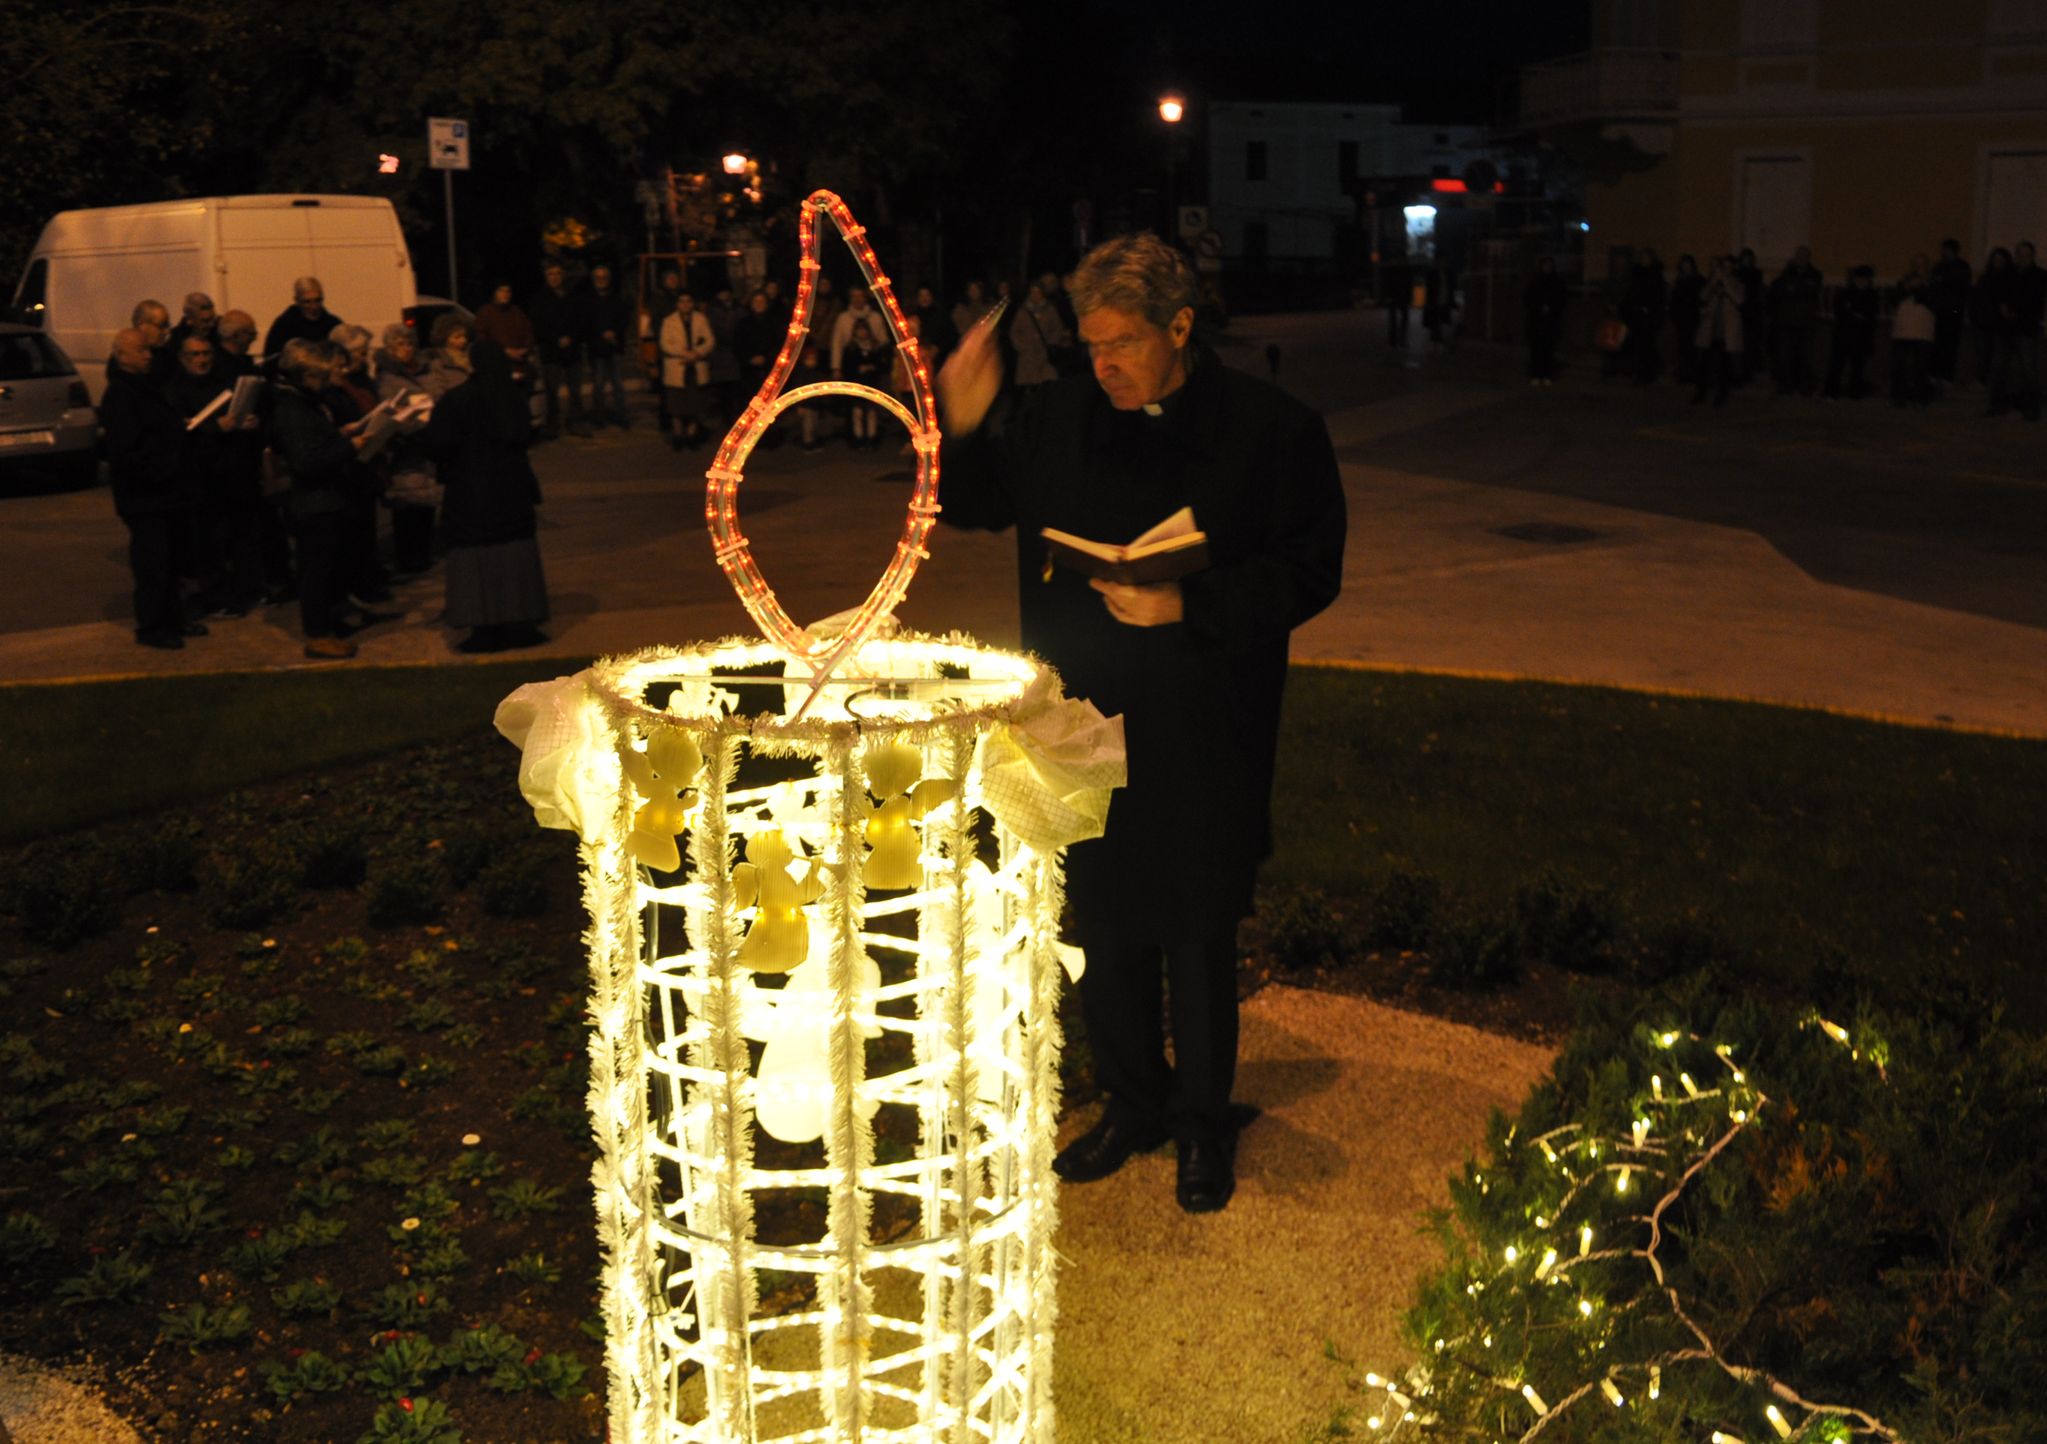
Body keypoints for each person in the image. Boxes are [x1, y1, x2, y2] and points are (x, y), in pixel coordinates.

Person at [934, 232, 1346, 1214]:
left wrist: (1187, 608)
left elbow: (1309, 567)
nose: (1104, 366)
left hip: (1207, 713)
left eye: (1122, 344)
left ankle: (1203, 1124)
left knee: (1198, 923)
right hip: (1079, 711)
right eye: (1089, 346)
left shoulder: (1270, 427)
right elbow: (972, 504)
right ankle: (1130, 1102)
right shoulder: (1056, 417)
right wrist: (963, 421)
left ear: (1181, 325)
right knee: (1105, 917)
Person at [421, 340, 548, 653]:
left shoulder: (456, 400)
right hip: (512, 492)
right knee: (513, 557)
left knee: (475, 561)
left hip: (470, 494)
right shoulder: (513, 399)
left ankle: (484, 626)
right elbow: (526, 437)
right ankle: (519, 621)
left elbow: (437, 445)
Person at [102, 328, 204, 649]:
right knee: (153, 563)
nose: (149, 355)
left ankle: (172, 619)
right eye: (142, 351)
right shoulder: (121, 394)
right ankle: (152, 626)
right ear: (123, 357)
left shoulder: (147, 387)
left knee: (171, 560)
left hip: (166, 492)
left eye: (149, 350)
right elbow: (127, 450)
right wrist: (164, 459)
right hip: (146, 496)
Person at [267, 339, 362, 659]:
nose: (322, 384)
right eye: (317, 377)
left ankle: (330, 620)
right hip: (312, 502)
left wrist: (341, 437)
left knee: (328, 565)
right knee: (315, 569)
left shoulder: (302, 402)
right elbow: (305, 460)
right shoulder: (291, 408)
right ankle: (317, 633)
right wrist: (348, 446)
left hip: (325, 499)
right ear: (302, 375)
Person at [375, 322, 440, 574]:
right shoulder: (387, 376)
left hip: (427, 442)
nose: (407, 349)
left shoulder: (426, 369)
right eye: (400, 344)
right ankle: (408, 556)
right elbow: (388, 407)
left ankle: (423, 552)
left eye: (410, 342)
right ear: (390, 348)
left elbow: (438, 390)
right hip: (406, 444)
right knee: (406, 503)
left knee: (427, 499)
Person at [528, 262, 588, 437]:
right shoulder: (539, 299)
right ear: (546, 277)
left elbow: (581, 320)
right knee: (551, 391)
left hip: (573, 350)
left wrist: (571, 337)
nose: (554, 277)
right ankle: (553, 424)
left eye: (557, 273)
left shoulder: (573, 297)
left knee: (575, 391)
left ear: (563, 276)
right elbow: (538, 325)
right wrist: (555, 339)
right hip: (551, 352)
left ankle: (575, 422)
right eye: (551, 274)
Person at [1993, 240, 2043, 422]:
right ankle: (1997, 405)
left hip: (2025, 327)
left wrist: (2014, 310)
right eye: (2019, 254)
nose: (2021, 258)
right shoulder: (2009, 274)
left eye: (2025, 254)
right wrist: (2004, 307)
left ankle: (2032, 408)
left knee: (2028, 369)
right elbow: (2001, 293)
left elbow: (2033, 299)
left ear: (2031, 256)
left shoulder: (2039, 275)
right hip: (2007, 328)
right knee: (1999, 367)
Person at [659, 291, 716, 449]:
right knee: (676, 406)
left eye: (688, 301)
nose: (685, 304)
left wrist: (698, 353)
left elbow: (710, 340)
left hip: (696, 368)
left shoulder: (701, 319)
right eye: (682, 301)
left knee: (695, 405)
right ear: (677, 304)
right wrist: (683, 353)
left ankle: (691, 436)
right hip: (678, 368)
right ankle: (678, 436)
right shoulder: (668, 321)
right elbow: (665, 344)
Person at [1768, 247, 1823, 395]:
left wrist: (1793, 288)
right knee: (1786, 355)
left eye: (1803, 256)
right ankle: (1786, 385)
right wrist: (1791, 287)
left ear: (1808, 258)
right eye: (1798, 256)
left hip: (1805, 322)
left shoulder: (1815, 274)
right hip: (1787, 321)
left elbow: (1808, 291)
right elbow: (1778, 288)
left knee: (1805, 355)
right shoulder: (1788, 272)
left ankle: (1804, 385)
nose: (1800, 258)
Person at [1692, 255, 1744, 407]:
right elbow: (1702, 296)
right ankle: (1700, 393)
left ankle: (1721, 395)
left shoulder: (1737, 283)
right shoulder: (1713, 282)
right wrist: (1714, 281)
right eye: (1723, 267)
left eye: (1728, 267)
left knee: (1724, 368)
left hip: (1727, 334)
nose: (1725, 270)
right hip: (1710, 332)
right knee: (1704, 365)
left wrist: (1726, 282)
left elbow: (1739, 299)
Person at [585, 263, 632, 427]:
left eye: (604, 277)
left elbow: (625, 319)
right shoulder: (588, 300)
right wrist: (601, 333)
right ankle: (598, 416)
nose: (601, 280)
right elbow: (586, 322)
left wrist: (615, 332)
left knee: (618, 385)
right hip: (597, 349)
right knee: (598, 386)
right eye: (598, 277)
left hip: (614, 347)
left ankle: (622, 415)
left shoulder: (617, 298)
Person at [1822, 265, 1879, 401]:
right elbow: (1840, 313)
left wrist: (1853, 311)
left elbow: (1869, 314)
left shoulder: (1872, 295)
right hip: (1844, 335)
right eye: (1859, 278)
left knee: (1858, 366)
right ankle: (1831, 392)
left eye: (1864, 279)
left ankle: (1855, 392)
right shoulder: (1844, 293)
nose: (1861, 281)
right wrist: (1856, 314)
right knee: (1837, 365)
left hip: (1861, 336)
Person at [1888, 263, 1936, 408]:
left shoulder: (1931, 287)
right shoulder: (1901, 286)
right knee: (1900, 367)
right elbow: (1893, 301)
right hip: (1902, 332)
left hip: (1922, 332)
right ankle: (1899, 397)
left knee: (1920, 368)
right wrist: (1905, 289)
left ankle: (1919, 397)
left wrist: (1919, 289)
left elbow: (1932, 302)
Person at [262, 277, 343, 362]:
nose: (313, 306)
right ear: (297, 301)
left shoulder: (333, 324)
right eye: (307, 302)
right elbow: (271, 359)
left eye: (317, 300)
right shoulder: (283, 326)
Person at [1008, 281, 1069, 390]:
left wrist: (1051, 342)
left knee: (1046, 385)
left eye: (1038, 292)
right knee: (1029, 387)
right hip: (1027, 356)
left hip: (1044, 354)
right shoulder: (1023, 311)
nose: (1035, 295)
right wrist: (1021, 346)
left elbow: (1058, 328)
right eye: (1032, 292)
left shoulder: (1050, 310)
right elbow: (1014, 331)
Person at [842, 316, 890, 448]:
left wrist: (873, 367)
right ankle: (858, 438)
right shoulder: (850, 348)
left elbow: (883, 365)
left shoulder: (875, 347)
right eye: (859, 330)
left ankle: (871, 437)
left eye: (864, 330)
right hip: (856, 385)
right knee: (857, 412)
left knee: (871, 412)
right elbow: (846, 367)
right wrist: (857, 369)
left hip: (872, 383)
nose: (862, 332)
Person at [1929, 239, 1972, 386]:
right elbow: (1935, 285)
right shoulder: (1940, 266)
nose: (1943, 252)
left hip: (1954, 311)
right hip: (1941, 310)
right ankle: (1935, 373)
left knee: (1950, 344)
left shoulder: (1961, 267)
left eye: (1945, 249)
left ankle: (1946, 375)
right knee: (1938, 344)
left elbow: (1962, 288)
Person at [1620, 248, 1666, 384]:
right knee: (1637, 345)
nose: (1644, 260)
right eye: (1642, 258)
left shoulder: (1656, 276)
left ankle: (1646, 373)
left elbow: (1658, 297)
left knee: (1646, 345)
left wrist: (1651, 310)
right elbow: (1630, 294)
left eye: (1647, 258)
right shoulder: (1637, 274)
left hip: (1649, 317)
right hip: (1636, 316)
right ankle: (1640, 371)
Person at [1522, 255, 1567, 385]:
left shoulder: (1557, 282)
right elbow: (1527, 299)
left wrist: (1551, 308)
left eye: (1549, 265)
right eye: (1545, 265)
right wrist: (1538, 307)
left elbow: (1562, 299)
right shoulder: (1535, 281)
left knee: (1549, 350)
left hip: (1550, 322)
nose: (1547, 267)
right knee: (1536, 350)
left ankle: (1547, 374)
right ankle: (1536, 374)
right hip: (1536, 321)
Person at [1668, 255, 1704, 385]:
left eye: (1688, 264)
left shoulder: (1697, 279)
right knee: (1682, 346)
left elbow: (1699, 298)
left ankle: (1692, 373)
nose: (1686, 267)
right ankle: (1684, 373)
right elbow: (1675, 299)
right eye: (1684, 264)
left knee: (1691, 346)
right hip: (1681, 318)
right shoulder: (1679, 280)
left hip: (1692, 317)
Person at [423, 314, 474, 397]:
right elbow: (438, 391)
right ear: (445, 339)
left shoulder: (472, 355)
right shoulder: (439, 363)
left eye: (464, 336)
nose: (464, 340)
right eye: (457, 337)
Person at [1734, 247, 1765, 382]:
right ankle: (1740, 372)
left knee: (1750, 344)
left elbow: (1758, 293)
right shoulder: (1737, 273)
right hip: (1740, 311)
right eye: (1744, 259)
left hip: (1752, 312)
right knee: (1740, 344)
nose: (1746, 261)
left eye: (1748, 259)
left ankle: (1748, 371)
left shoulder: (1756, 274)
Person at [1422, 258, 1458, 349]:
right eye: (1441, 261)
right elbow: (1430, 289)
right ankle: (1436, 341)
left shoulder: (1447, 273)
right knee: (1436, 322)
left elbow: (1450, 288)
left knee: (1439, 321)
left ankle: (1436, 341)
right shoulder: (1433, 273)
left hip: (1443, 300)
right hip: (1435, 301)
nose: (1443, 263)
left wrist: (1451, 301)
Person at [1381, 256, 1412, 351]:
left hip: (1398, 297)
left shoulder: (1396, 270)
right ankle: (1397, 341)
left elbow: (1388, 283)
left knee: (1396, 319)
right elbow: (1388, 283)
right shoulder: (1399, 270)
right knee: (1397, 320)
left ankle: (1396, 341)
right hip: (1397, 297)